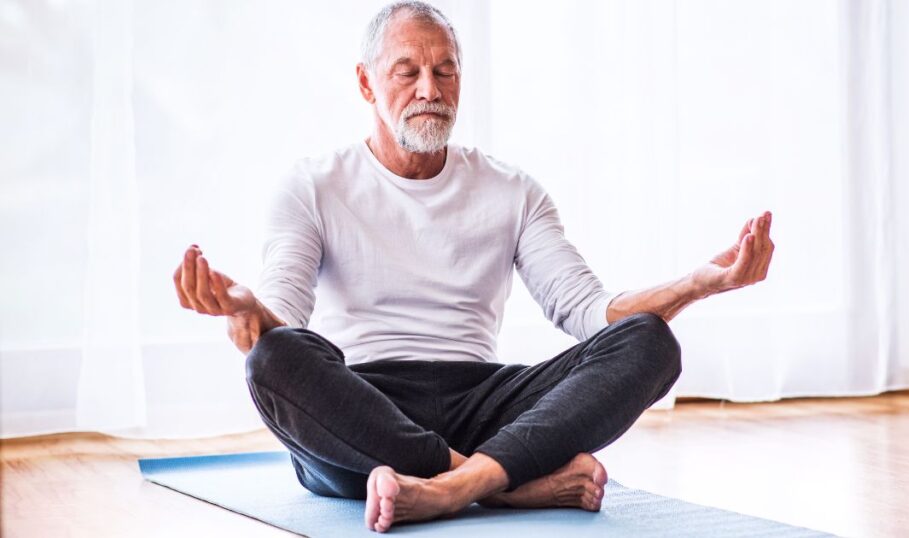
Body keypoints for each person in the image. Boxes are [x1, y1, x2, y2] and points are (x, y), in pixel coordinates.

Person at [172, 1, 775, 533]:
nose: (429, 89)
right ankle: (507, 485)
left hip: (483, 402)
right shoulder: (311, 186)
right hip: (364, 408)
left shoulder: (513, 191)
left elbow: (593, 313)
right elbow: (283, 316)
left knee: (649, 342)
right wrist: (246, 311)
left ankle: (453, 486)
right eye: (407, 73)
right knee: (274, 356)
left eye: (445, 70)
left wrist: (703, 282)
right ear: (366, 83)